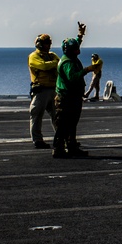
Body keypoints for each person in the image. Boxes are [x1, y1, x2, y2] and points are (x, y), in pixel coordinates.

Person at [53, 23, 93, 158]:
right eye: (76, 49)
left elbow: (75, 44)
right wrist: (87, 70)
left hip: (72, 97)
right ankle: (59, 148)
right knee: (64, 124)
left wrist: (80, 35)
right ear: (70, 50)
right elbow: (72, 78)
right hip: (66, 98)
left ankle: (71, 146)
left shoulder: (70, 57)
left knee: (71, 123)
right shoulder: (68, 63)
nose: (78, 51)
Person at [28, 34, 60, 149]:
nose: (49, 45)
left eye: (49, 42)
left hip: (53, 89)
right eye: (46, 42)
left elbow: (59, 63)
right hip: (40, 90)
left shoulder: (52, 55)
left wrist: (52, 64)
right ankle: (37, 140)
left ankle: (61, 138)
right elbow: (43, 66)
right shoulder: (33, 56)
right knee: (36, 115)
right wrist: (53, 64)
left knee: (58, 116)